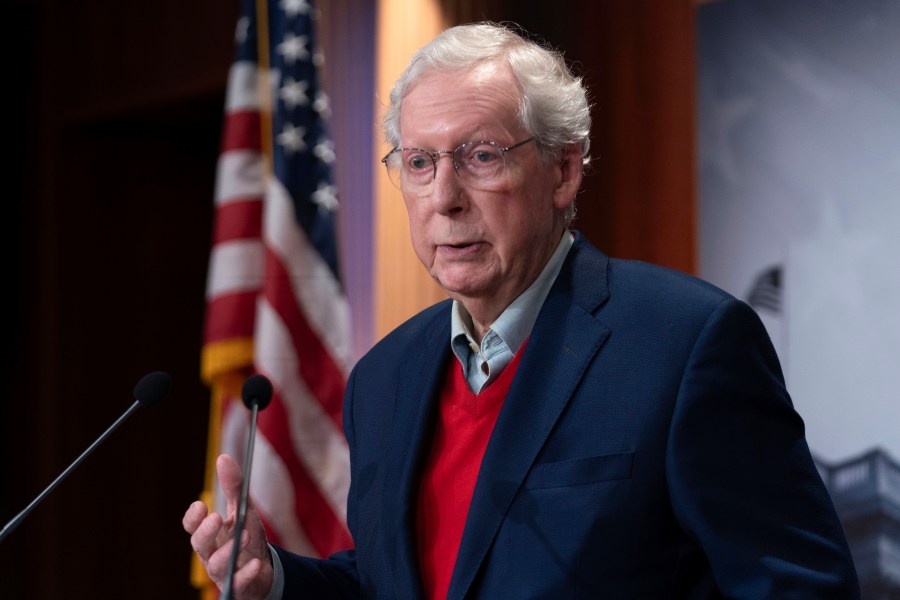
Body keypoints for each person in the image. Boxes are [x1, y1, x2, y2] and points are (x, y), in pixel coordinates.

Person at [185, 21, 859, 599]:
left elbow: (799, 586)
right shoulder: (383, 379)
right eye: (419, 162)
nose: (444, 197)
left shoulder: (685, 346)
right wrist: (273, 579)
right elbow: (398, 579)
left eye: (479, 156)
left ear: (564, 171)